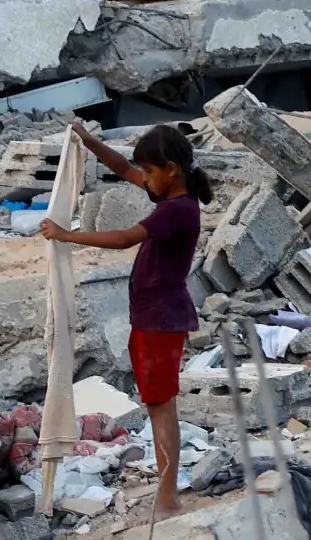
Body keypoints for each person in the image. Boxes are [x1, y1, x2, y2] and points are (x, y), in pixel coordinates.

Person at [41, 123, 214, 516]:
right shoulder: (168, 193)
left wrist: (66, 236)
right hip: (152, 318)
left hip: (161, 320)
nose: (145, 180)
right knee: (158, 404)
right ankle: (166, 490)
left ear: (171, 169)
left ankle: (168, 498)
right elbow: (124, 168)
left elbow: (123, 239)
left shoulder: (178, 210)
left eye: (150, 173)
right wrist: (87, 141)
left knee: (160, 407)